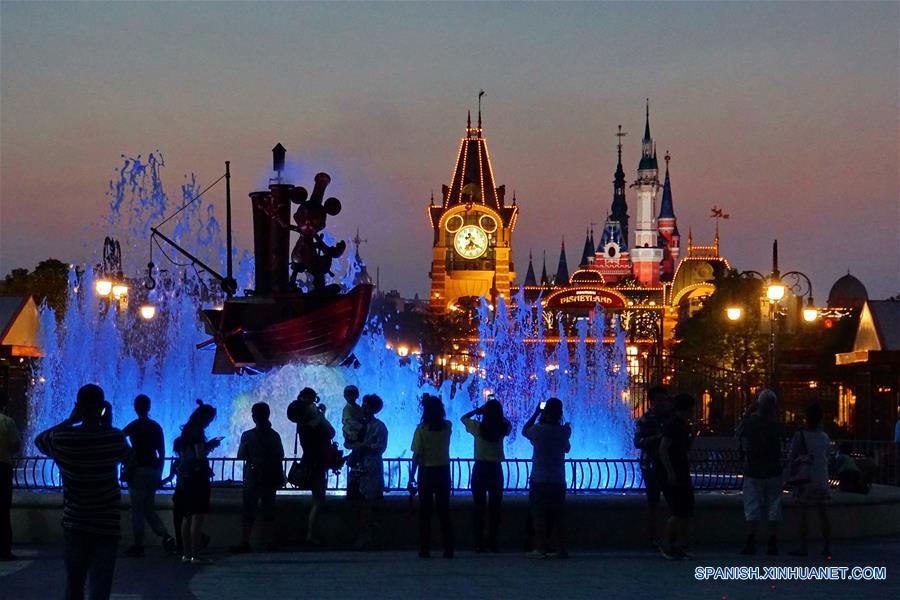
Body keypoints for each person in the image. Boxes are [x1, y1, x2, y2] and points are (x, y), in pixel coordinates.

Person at [34, 384, 131, 600]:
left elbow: (39, 440)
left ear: (77, 407)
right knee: (101, 586)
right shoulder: (114, 438)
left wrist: (70, 420)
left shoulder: (63, 439)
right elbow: (128, 458)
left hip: (75, 522)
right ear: (102, 408)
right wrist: (107, 425)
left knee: (74, 585)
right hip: (106, 524)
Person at [122, 394, 174, 557]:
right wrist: (159, 471)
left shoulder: (134, 426)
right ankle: (165, 535)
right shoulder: (156, 427)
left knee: (137, 509)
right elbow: (162, 452)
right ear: (149, 407)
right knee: (148, 507)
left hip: (137, 470)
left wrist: (129, 453)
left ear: (135, 408)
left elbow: (118, 438)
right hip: (152, 469)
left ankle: (139, 545)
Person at [231, 402, 285, 553]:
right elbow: (281, 455)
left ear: (254, 417)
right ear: (268, 415)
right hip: (270, 477)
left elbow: (241, 455)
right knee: (269, 511)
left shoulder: (248, 436)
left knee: (249, 511)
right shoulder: (274, 435)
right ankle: (269, 542)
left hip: (253, 477)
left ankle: (245, 542)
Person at [736, 389, 783, 556]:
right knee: (774, 506)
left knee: (752, 506)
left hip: (753, 470)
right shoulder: (776, 425)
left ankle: (751, 541)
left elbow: (738, 432)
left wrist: (749, 410)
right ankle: (772, 542)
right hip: (773, 470)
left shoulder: (751, 423)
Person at [461, 396, 511, 552]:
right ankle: (493, 542)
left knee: (479, 508)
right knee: (495, 508)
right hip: (496, 470)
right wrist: (497, 414)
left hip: (480, 469)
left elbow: (463, 418)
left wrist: (478, 411)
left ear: (485, 413)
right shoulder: (502, 429)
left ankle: (478, 543)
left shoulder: (477, 428)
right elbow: (508, 424)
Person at [522, 397, 571, 559]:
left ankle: (540, 548)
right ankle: (561, 548)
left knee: (539, 516)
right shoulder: (564, 431)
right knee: (558, 516)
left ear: (546, 411)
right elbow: (567, 449)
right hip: (558, 479)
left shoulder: (538, 430)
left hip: (539, 479)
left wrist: (536, 413)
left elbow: (524, 430)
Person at [174, 400, 220, 564]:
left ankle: (186, 553)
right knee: (197, 515)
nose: (209, 422)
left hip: (185, 476)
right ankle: (196, 554)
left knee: (187, 516)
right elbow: (200, 455)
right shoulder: (198, 432)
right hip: (197, 477)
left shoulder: (186, 431)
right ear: (203, 418)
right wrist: (211, 445)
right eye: (209, 419)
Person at [409, 394, 454, 558]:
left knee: (425, 512)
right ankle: (448, 548)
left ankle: (424, 548)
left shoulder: (421, 430)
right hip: (443, 471)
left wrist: (411, 477)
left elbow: (416, 455)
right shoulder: (447, 426)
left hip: (426, 472)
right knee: (444, 511)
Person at [789, 403, 832, 558]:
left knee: (802, 513)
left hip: (805, 479)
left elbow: (792, 455)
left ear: (806, 419)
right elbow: (827, 455)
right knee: (823, 514)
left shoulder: (800, 436)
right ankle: (826, 546)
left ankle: (802, 547)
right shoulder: (824, 437)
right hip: (821, 478)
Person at [294, 387, 336, 545]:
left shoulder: (307, 421)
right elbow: (322, 429)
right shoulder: (307, 421)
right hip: (315, 461)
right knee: (318, 499)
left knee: (318, 499)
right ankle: (311, 534)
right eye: (310, 399)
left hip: (315, 460)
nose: (312, 403)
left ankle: (311, 533)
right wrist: (321, 414)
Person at [346, 394, 388, 549]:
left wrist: (363, 446)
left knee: (366, 505)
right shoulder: (358, 424)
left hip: (370, 470)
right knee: (355, 504)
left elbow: (381, 447)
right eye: (363, 405)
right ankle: (361, 533)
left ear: (373, 409)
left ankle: (367, 536)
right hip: (356, 468)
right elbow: (349, 442)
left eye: (366, 406)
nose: (363, 408)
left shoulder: (379, 427)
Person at [658, 393, 696, 560]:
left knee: (685, 510)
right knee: (678, 510)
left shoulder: (682, 425)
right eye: (692, 409)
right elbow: (663, 448)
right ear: (687, 409)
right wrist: (670, 471)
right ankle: (667, 544)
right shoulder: (673, 425)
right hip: (676, 473)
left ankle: (678, 545)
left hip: (682, 471)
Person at [633, 385, 669, 550]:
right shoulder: (645, 420)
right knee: (653, 502)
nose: (663, 403)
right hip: (651, 465)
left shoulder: (669, 419)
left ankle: (667, 536)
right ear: (652, 401)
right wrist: (658, 438)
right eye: (660, 400)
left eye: (665, 400)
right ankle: (653, 536)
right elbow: (638, 442)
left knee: (670, 501)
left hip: (666, 464)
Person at [0, 391, 22, 561]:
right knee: (3, 510)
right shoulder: (7, 422)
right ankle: (4, 550)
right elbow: (15, 446)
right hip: (2, 468)